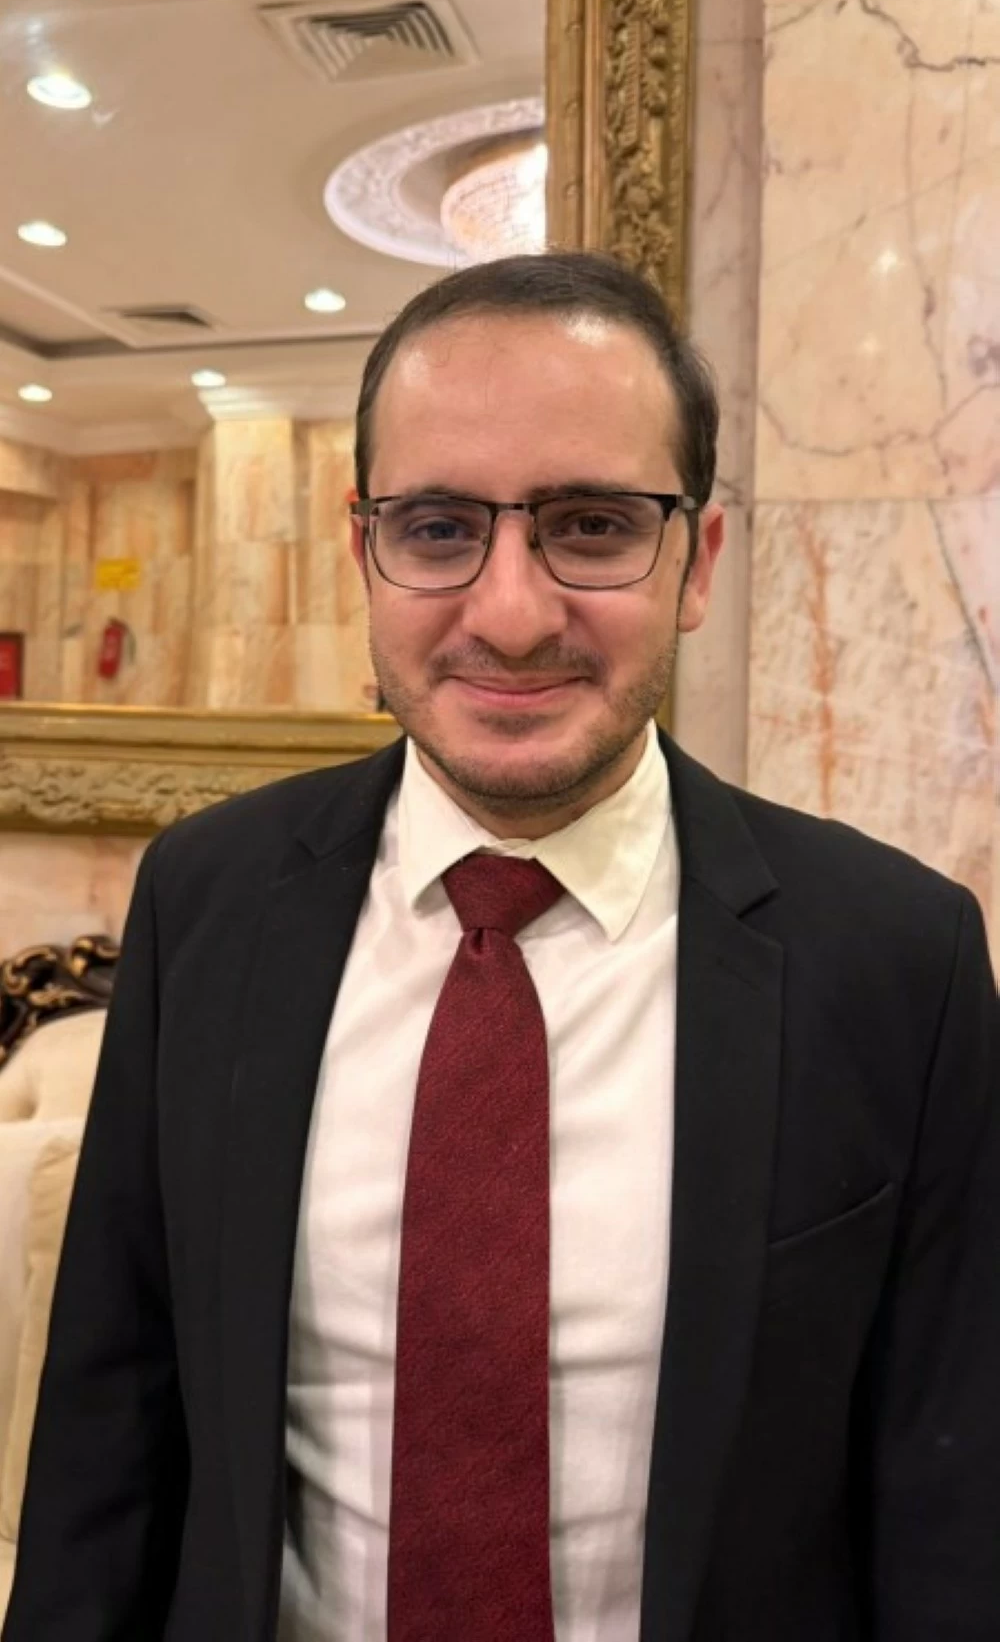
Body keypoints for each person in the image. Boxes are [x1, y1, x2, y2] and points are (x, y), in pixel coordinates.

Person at [4, 252, 998, 1642]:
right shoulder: (207, 902)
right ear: (364, 554)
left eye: (592, 526)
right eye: (436, 528)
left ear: (698, 563)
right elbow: (108, 1437)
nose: (513, 614)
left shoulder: (898, 959)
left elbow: (950, 1500)